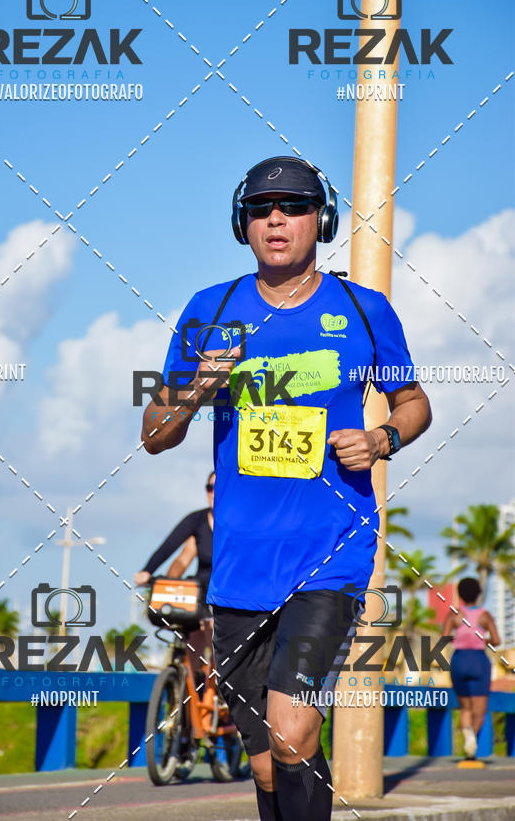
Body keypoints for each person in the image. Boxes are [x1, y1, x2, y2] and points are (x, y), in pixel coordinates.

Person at [141, 156, 432, 820]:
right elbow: (154, 431)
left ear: (320, 220)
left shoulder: (364, 309)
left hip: (330, 555)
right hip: (242, 568)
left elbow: (413, 400)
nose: (277, 218)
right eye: (263, 207)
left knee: (295, 730)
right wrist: (193, 393)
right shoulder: (209, 308)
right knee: (270, 759)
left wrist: (382, 438)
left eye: (295, 206)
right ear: (242, 222)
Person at [134, 471, 215, 672]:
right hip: (199, 593)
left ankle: (215, 688)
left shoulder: (236, 525)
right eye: (209, 488)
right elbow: (176, 554)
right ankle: (188, 688)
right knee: (192, 639)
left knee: (212, 634)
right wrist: (149, 572)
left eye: (219, 488)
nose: (213, 493)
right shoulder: (197, 521)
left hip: (226, 594)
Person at [442, 577, 500, 759]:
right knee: (480, 710)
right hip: (478, 661)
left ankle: (468, 735)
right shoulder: (485, 615)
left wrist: (459, 638)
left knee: (465, 707)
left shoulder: (454, 614)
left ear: (460, 594)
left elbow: (444, 638)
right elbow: (497, 641)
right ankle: (472, 738)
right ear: (478, 594)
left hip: (459, 660)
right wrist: (483, 639)